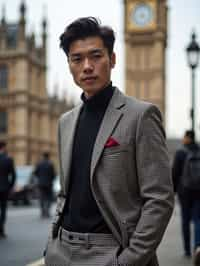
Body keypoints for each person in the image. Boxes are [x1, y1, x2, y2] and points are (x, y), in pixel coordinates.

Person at [44, 17, 174, 266]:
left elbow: (160, 198)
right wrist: (52, 243)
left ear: (112, 59)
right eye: (77, 59)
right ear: (69, 64)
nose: (87, 66)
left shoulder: (141, 115)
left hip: (110, 251)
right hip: (62, 251)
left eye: (96, 56)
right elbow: (65, 192)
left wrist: (128, 260)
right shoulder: (65, 122)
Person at [172, 130, 200, 264]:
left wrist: (173, 191)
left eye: (184, 136)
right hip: (199, 191)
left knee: (185, 220)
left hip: (185, 191)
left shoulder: (180, 152)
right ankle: (198, 248)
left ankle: (187, 250)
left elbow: (175, 172)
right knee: (198, 219)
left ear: (188, 137)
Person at [0, 141, 16, 238]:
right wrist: (10, 186)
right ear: (4, 147)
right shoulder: (8, 159)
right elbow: (13, 175)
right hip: (4, 188)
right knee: (3, 209)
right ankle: (1, 229)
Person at [34, 152, 56, 218]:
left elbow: (35, 173)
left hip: (41, 183)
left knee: (42, 198)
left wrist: (40, 178)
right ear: (48, 157)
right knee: (49, 198)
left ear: (43, 156)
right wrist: (50, 179)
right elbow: (53, 174)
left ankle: (42, 212)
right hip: (49, 184)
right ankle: (47, 212)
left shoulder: (39, 164)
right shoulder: (50, 164)